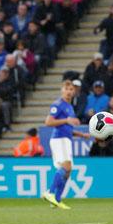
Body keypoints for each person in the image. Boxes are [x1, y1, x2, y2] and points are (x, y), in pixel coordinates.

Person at [42, 80, 91, 209]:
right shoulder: (58, 104)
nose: (69, 91)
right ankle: (50, 192)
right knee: (66, 166)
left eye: (71, 89)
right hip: (59, 139)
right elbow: (48, 122)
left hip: (66, 139)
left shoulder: (69, 107)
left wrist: (81, 135)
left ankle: (57, 200)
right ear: (62, 90)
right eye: (67, 89)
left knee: (68, 171)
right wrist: (67, 120)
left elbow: (67, 127)